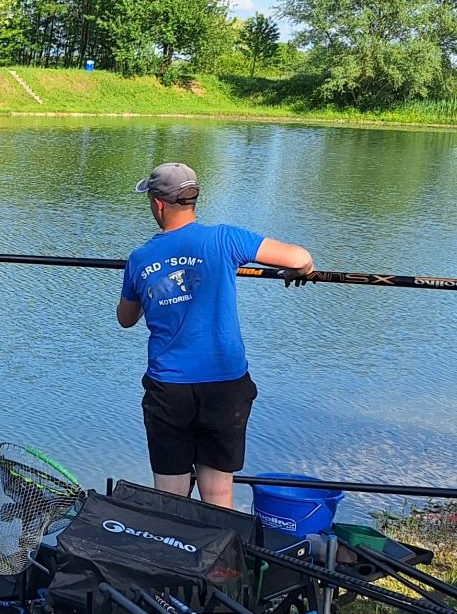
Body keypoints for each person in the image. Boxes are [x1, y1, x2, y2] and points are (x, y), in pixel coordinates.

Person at [116, 159, 314, 508]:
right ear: (192, 200)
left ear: (158, 205)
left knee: (170, 497)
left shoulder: (140, 257)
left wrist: (155, 288)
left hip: (169, 388)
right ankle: (221, 561)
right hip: (225, 383)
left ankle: (173, 559)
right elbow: (299, 257)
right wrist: (301, 268)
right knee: (219, 494)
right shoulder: (225, 239)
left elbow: (126, 318)